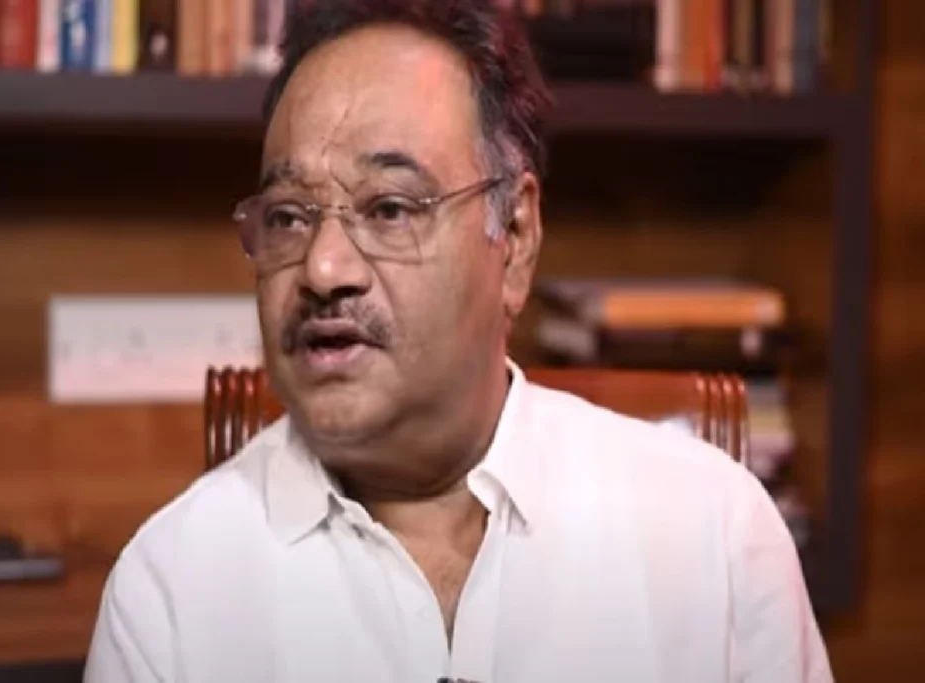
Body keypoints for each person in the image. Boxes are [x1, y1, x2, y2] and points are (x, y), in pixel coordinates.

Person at [84, 1, 832, 681]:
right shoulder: (170, 592)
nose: (323, 268)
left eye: (389, 208)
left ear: (516, 237)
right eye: (287, 217)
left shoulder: (713, 538)